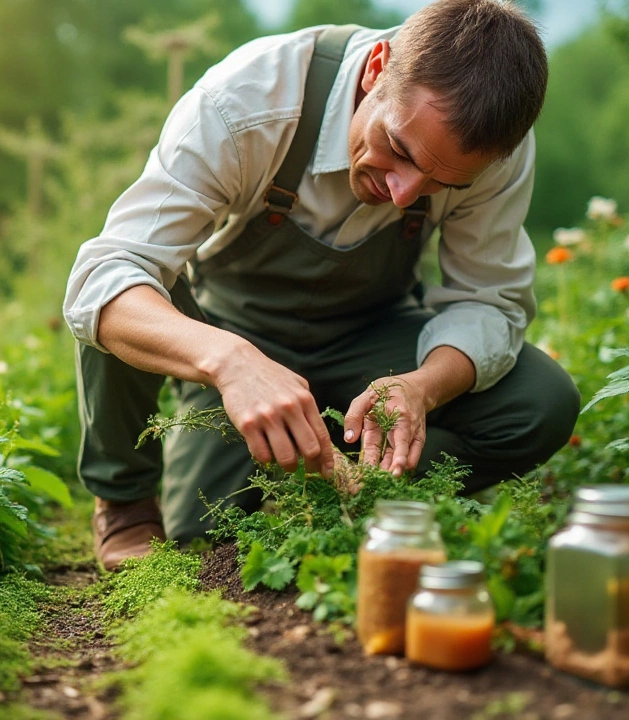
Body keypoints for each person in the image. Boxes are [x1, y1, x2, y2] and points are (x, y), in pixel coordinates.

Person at [64, 0, 580, 570]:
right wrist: (230, 362)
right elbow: (107, 275)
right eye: (401, 151)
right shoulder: (246, 102)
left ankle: (363, 493)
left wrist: (420, 387)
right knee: (126, 298)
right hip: (230, 332)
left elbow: (488, 301)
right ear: (376, 68)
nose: (406, 193)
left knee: (540, 400)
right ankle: (126, 504)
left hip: (367, 339)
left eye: (440, 182)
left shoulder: (492, 149)